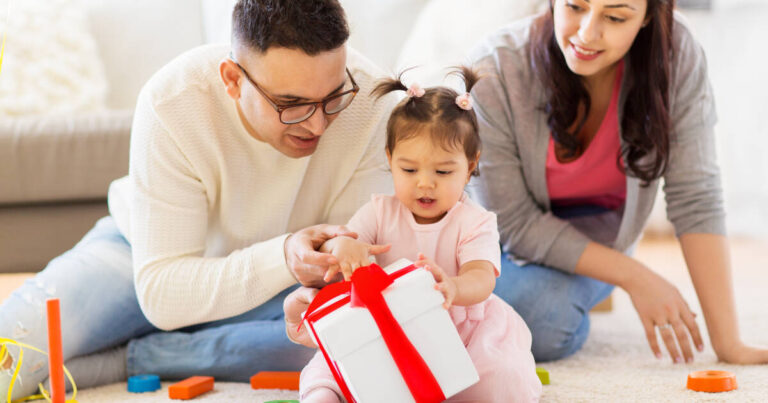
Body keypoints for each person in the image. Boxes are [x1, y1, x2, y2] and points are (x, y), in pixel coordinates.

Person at [0, 0, 397, 399]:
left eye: (333, 97)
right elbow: (161, 294)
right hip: (141, 256)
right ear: (232, 80)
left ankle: (133, 357)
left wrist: (303, 265)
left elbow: (343, 279)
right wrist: (283, 255)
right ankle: (181, 341)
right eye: (291, 104)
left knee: (351, 346)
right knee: (11, 352)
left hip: (283, 287)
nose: (317, 124)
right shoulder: (173, 99)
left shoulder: (374, 102)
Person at [468, 0, 768, 365]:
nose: (587, 33)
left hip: (601, 229)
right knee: (485, 318)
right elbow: (513, 222)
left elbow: (696, 196)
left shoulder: (677, 54)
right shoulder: (496, 65)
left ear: (647, 17)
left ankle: (587, 280)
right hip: (501, 236)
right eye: (575, 6)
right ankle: (594, 282)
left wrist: (729, 344)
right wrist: (635, 276)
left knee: (541, 320)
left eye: (615, 16)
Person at [288, 69, 542, 403]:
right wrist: (344, 245)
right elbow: (342, 242)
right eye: (409, 170)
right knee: (331, 376)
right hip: (382, 328)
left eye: (443, 171)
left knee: (498, 379)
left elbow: (482, 278)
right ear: (391, 160)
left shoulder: (475, 221)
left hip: (459, 330)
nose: (425, 183)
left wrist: (453, 286)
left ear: (471, 164)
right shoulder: (379, 212)